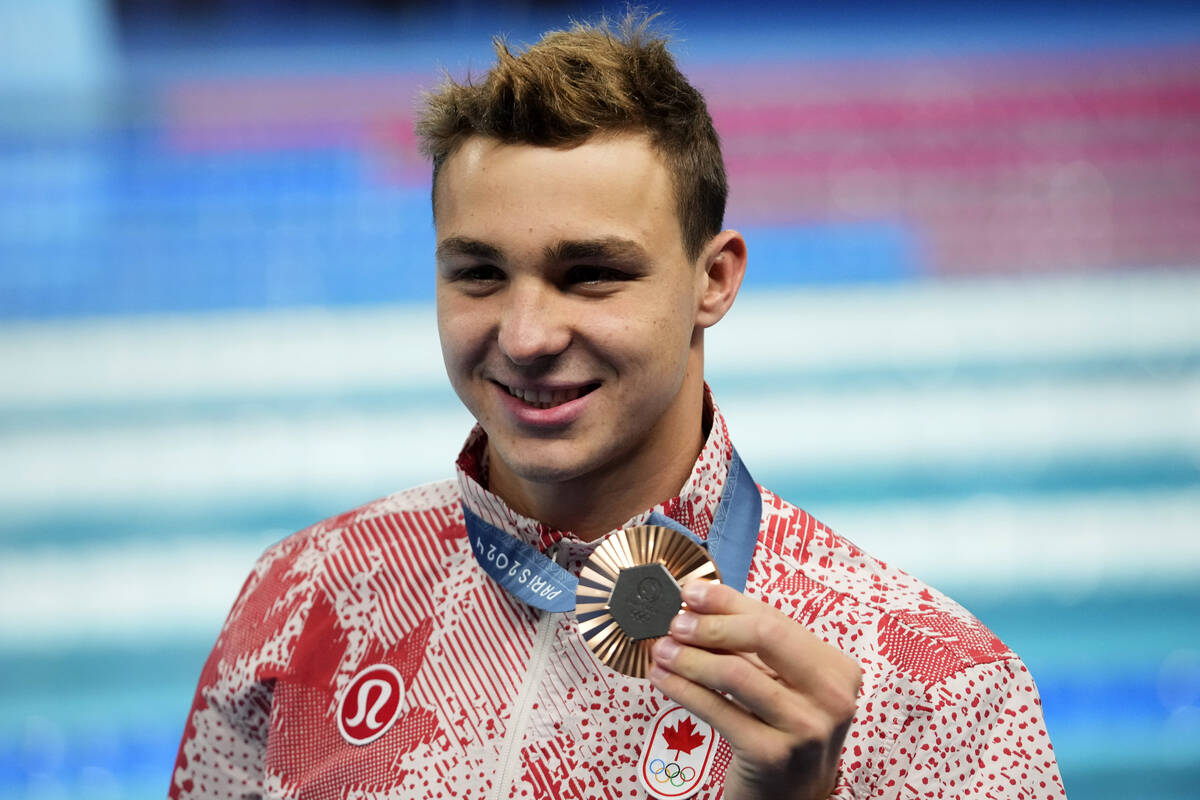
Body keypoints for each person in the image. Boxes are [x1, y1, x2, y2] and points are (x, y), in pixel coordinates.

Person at [170, 14, 1065, 800]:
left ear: (714, 281)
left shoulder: (935, 689)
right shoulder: (301, 603)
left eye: (591, 274)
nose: (525, 335)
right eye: (478, 273)